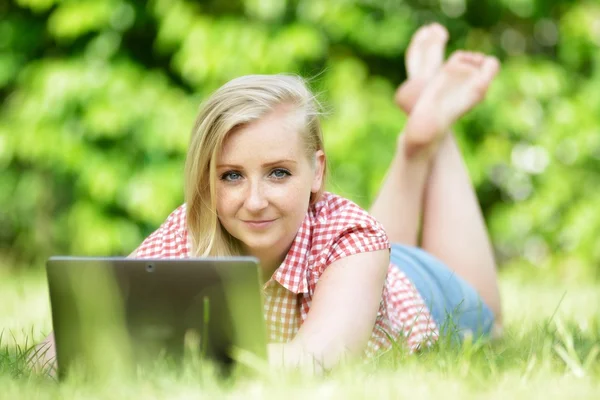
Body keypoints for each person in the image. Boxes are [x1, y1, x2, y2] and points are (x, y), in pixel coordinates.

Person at [31, 23, 502, 375]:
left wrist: (158, 354)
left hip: (421, 288)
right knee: (369, 254)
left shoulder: (352, 235)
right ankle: (419, 134)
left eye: (278, 173)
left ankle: (429, 136)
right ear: (206, 181)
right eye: (231, 176)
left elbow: (318, 360)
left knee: (488, 318)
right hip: (358, 271)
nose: (254, 201)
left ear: (317, 170)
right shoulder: (193, 228)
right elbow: (63, 348)